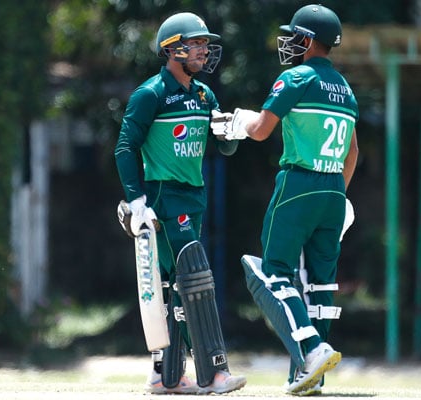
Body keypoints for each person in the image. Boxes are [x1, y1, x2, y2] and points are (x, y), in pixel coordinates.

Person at [212, 4, 359, 395]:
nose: (291, 44)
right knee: (321, 286)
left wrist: (237, 122)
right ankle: (310, 375)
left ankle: (311, 350)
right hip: (333, 189)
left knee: (274, 271)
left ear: (309, 41)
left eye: (295, 37)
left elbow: (260, 131)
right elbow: (353, 152)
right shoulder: (345, 88)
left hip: (299, 183)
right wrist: (339, 195)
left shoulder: (295, 77)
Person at [114, 12, 246, 395]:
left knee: (175, 283)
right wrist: (136, 199)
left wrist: (229, 133)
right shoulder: (150, 94)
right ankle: (215, 373)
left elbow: (223, 146)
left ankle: (165, 375)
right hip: (163, 195)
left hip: (194, 193)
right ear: (173, 49)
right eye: (197, 43)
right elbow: (125, 147)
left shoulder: (205, 95)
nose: (205, 50)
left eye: (206, 43)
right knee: (194, 278)